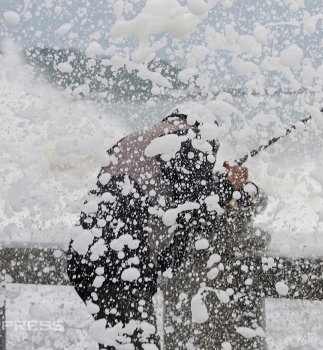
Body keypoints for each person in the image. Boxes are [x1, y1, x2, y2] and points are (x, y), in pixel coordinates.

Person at [67, 110, 258, 350]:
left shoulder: (138, 140)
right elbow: (194, 206)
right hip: (120, 266)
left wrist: (215, 184)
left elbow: (172, 200)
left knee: (119, 343)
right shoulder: (188, 138)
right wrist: (230, 186)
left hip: (87, 260)